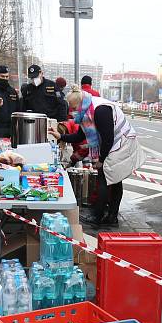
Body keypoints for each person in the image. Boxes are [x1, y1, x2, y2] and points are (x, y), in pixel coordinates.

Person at [56, 85, 142, 226]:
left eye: (73, 108)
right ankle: (111, 218)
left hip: (121, 143)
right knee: (114, 181)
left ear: (80, 104)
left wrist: (101, 160)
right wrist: (61, 136)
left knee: (106, 179)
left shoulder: (100, 110)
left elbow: (107, 139)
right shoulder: (87, 111)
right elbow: (79, 135)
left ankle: (98, 217)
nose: (72, 112)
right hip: (113, 143)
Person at [0, 65, 19, 142]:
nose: (5, 79)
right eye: (2, 76)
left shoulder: (12, 91)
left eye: (7, 77)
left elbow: (18, 108)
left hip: (12, 127)